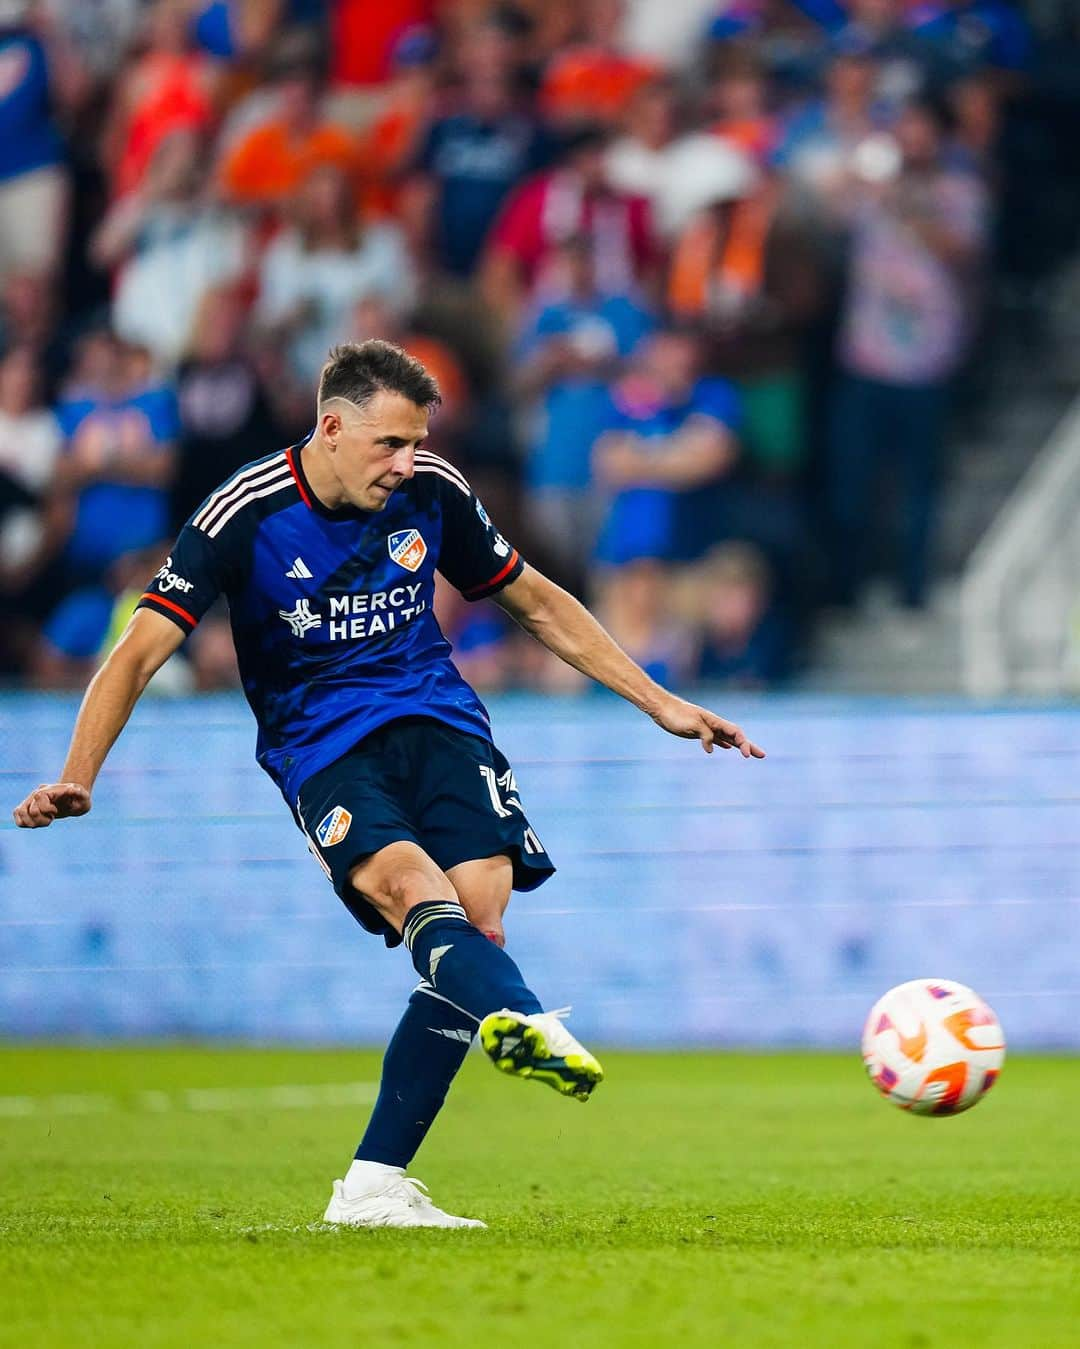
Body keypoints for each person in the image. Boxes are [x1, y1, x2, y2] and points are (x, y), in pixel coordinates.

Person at [13, 339, 764, 1229]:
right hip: (322, 742)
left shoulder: (432, 489)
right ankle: (520, 1016)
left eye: (417, 443)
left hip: (439, 719)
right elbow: (139, 649)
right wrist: (78, 774)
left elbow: (534, 599)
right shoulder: (241, 513)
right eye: (389, 445)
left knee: (478, 912)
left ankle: (372, 1184)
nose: (407, 463)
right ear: (332, 428)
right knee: (414, 890)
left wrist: (659, 702)